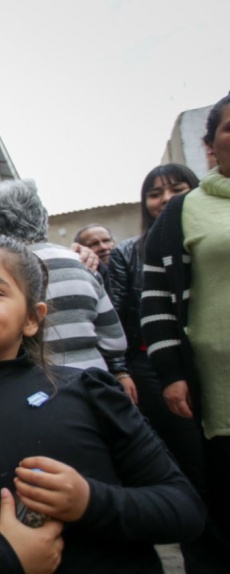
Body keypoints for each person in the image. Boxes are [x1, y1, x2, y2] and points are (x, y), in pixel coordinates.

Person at [0, 233, 205, 573]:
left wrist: (89, 501)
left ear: (32, 318)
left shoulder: (88, 391)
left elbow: (184, 509)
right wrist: (0, 558)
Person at [141, 93, 230, 555]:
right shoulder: (183, 212)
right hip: (217, 389)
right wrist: (171, 373)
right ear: (211, 144)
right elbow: (154, 299)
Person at [0, 180, 131, 395]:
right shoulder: (82, 263)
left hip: (29, 392)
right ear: (42, 216)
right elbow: (115, 342)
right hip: (95, 386)